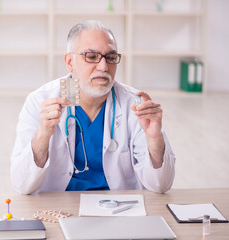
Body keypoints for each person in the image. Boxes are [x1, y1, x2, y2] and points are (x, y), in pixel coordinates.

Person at [11, 20, 175, 194]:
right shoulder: (39, 102)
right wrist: (42, 135)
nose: (104, 67)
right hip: (60, 208)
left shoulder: (136, 106)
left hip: (118, 208)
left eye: (111, 57)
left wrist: (155, 138)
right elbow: (22, 185)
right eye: (91, 57)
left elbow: (161, 185)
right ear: (69, 62)